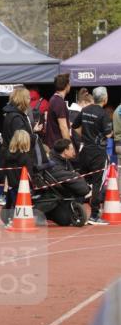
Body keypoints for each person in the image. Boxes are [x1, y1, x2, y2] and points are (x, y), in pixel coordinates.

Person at [73, 87, 112, 225]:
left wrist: (85, 137)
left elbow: (75, 126)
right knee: (97, 183)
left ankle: (75, 209)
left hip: (85, 150)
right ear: (105, 99)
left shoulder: (85, 110)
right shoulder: (104, 114)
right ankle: (94, 215)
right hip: (98, 153)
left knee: (82, 179)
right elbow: (108, 134)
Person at [46, 138, 92, 225]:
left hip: (65, 191)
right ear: (65, 151)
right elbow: (68, 175)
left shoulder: (65, 160)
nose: (73, 151)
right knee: (65, 220)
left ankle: (76, 208)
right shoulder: (53, 162)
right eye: (71, 149)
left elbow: (72, 173)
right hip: (57, 193)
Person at [1, 86, 45, 168]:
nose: (29, 101)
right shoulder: (16, 117)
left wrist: (33, 131)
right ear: (23, 99)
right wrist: (35, 137)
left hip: (14, 157)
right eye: (28, 98)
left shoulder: (14, 115)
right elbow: (21, 139)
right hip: (17, 159)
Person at [3, 129, 34, 218]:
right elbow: (29, 174)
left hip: (11, 184)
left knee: (11, 202)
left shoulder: (7, 155)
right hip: (23, 186)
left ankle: (9, 219)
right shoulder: (26, 157)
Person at [44, 73, 71, 148]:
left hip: (54, 144)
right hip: (58, 146)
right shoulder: (58, 102)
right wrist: (69, 145)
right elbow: (63, 127)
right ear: (66, 85)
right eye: (69, 84)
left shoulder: (54, 99)